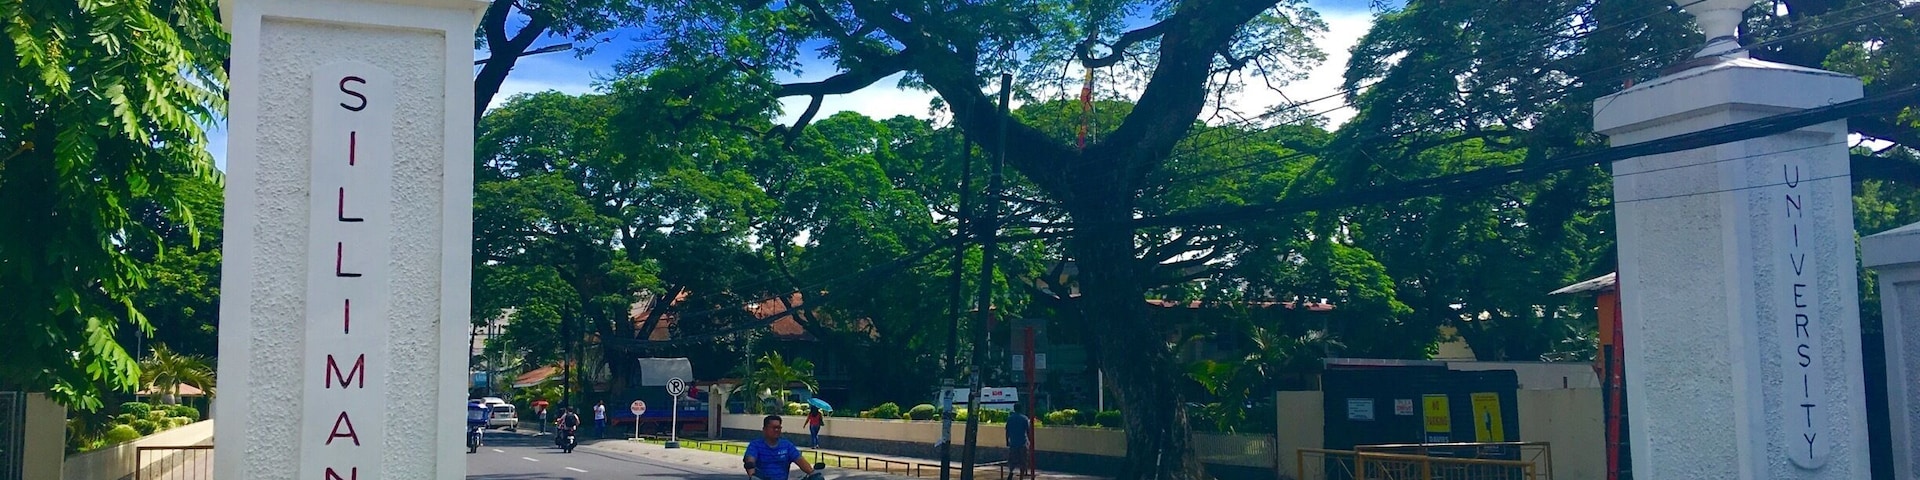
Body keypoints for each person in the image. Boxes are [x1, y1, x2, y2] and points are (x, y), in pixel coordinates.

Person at [743, 415, 816, 480]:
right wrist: (752, 475)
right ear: (764, 429)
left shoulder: (787, 445)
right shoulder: (755, 445)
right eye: (774, 428)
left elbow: (800, 460)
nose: (776, 430)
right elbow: (750, 460)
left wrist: (812, 473)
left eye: (778, 427)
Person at [1004, 406, 1030, 480]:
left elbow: (1007, 431)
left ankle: (1011, 472)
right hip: (1022, 443)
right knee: (1023, 461)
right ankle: (1021, 477)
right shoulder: (1024, 418)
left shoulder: (1010, 418)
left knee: (1012, 460)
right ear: (1021, 409)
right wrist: (1029, 441)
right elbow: (1027, 431)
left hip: (1013, 443)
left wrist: (1007, 441)